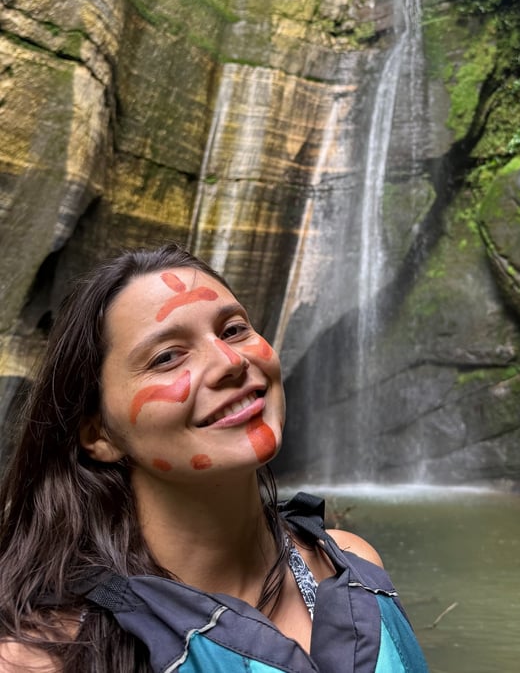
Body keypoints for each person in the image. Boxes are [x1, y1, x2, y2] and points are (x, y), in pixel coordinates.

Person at [0, 244, 429, 672]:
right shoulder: (47, 656)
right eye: (167, 356)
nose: (231, 362)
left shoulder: (352, 565)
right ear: (99, 433)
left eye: (234, 330)